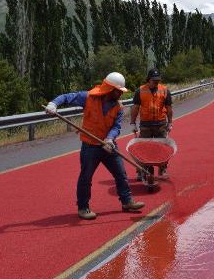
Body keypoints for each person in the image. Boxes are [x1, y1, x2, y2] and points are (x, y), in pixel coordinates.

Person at [45, 72, 145, 220]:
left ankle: (127, 202)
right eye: (118, 91)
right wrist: (53, 104)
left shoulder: (118, 107)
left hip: (108, 145)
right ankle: (83, 207)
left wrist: (110, 139)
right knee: (86, 177)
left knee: (121, 173)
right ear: (110, 89)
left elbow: (116, 127)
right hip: (90, 146)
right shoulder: (88, 97)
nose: (120, 94)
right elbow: (66, 97)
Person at [130, 68, 173, 178]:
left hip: (161, 124)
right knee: (143, 149)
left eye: (158, 80)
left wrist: (170, 123)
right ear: (148, 79)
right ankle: (142, 171)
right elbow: (135, 108)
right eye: (154, 80)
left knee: (163, 148)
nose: (156, 82)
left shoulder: (165, 90)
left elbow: (169, 108)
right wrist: (132, 123)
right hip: (145, 125)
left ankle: (162, 170)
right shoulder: (140, 91)